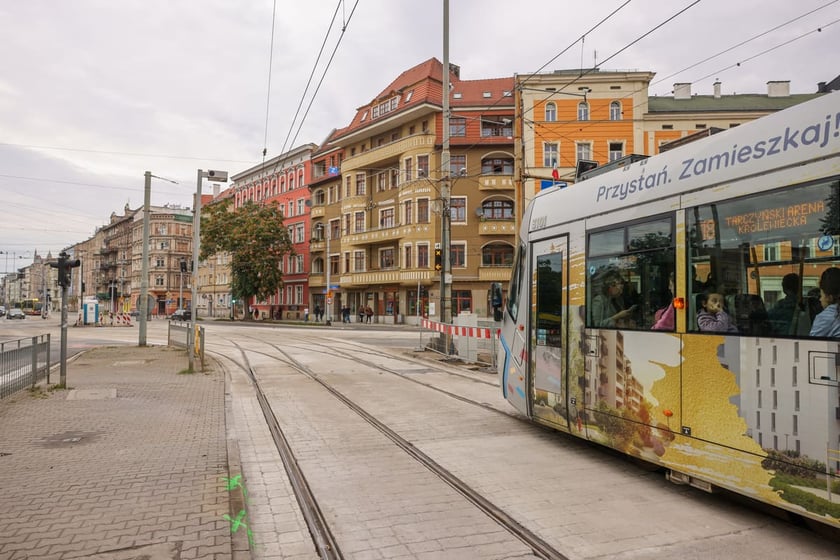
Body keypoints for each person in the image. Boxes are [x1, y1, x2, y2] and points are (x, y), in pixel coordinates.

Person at [809, 267, 840, 337]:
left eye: (821, 295)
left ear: (830, 297)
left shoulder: (825, 318)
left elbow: (811, 345)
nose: (820, 299)